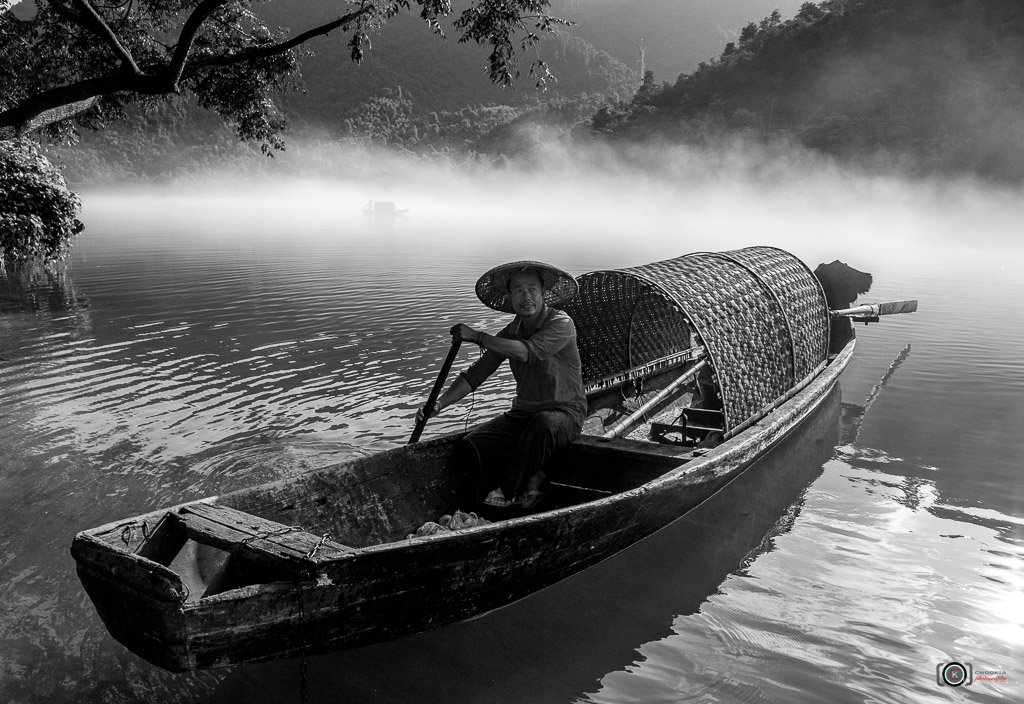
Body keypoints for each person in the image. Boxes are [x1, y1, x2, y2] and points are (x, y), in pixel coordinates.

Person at [416, 260, 586, 509]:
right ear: (509, 297)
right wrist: (438, 404)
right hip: (523, 414)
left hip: (565, 414)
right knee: (472, 445)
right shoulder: (508, 334)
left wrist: (478, 337)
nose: (525, 296)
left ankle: (510, 491)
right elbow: (475, 376)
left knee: (544, 424)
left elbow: (528, 352)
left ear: (543, 294)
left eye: (532, 289)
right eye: (518, 290)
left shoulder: (561, 324)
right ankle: (524, 478)